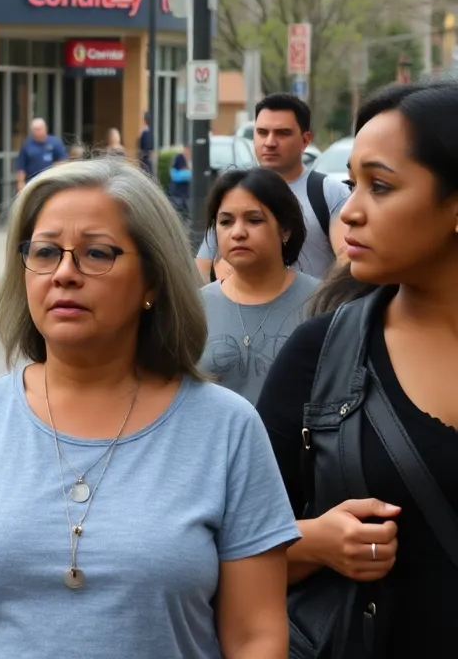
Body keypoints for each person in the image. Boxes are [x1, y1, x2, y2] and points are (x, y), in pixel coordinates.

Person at [0, 157, 299, 659]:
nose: (64, 274)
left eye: (97, 253)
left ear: (152, 280)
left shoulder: (226, 429)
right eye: (46, 252)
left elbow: (255, 637)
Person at [257, 81, 458, 657]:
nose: (351, 212)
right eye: (351, 185)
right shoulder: (319, 354)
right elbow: (232, 548)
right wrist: (311, 542)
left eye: (381, 186)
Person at [196, 94, 349, 283]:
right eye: (262, 132)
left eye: (282, 133)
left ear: (305, 140)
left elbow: (347, 260)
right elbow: (203, 267)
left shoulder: (329, 192)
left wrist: (322, 304)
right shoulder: (233, 192)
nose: (270, 142)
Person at [198, 168, 318, 405]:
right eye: (226, 221)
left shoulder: (322, 303)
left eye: (254, 220)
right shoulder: (194, 307)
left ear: (285, 229)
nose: (238, 233)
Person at [14, 118, 66, 192]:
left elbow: (61, 161)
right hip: (32, 182)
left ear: (45, 129)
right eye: (35, 129)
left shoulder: (55, 143)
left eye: (39, 129)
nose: (37, 131)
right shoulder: (27, 145)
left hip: (50, 181)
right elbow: (21, 166)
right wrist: (20, 183)